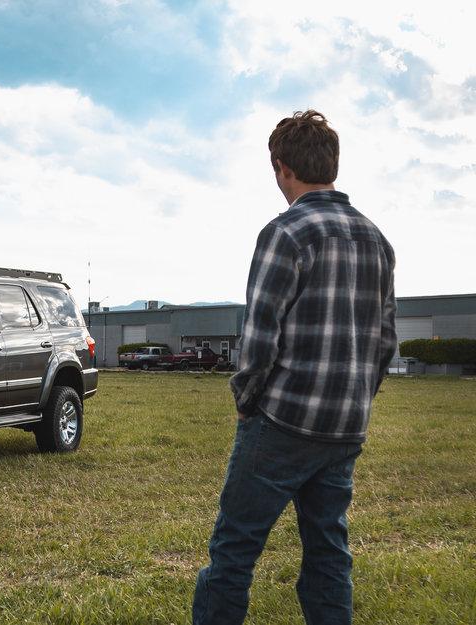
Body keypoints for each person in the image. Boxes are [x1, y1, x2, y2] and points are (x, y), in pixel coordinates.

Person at [192, 110, 397, 625]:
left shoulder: (285, 233)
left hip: (281, 423)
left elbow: (260, 336)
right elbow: (385, 342)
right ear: (332, 163)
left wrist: (246, 402)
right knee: (329, 554)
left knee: (233, 553)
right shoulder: (376, 240)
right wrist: (357, 402)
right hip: (345, 426)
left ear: (282, 168)